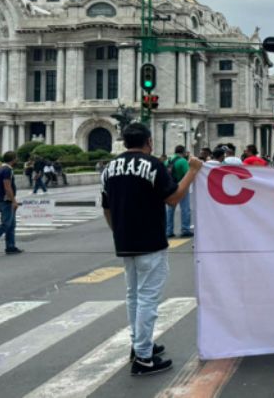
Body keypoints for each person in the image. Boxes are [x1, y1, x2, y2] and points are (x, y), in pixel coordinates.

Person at [101, 122, 201, 376]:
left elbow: (106, 207)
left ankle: (139, 345)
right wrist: (193, 171)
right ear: (149, 142)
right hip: (150, 240)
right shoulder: (152, 165)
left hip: (125, 241)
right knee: (147, 298)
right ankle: (144, 358)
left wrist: (118, 232)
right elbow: (173, 198)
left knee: (133, 295)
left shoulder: (109, 168)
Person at [165, 146, 193, 239]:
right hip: (181, 187)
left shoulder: (167, 161)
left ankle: (168, 231)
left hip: (170, 187)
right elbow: (188, 173)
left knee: (170, 210)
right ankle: (185, 229)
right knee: (185, 208)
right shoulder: (183, 161)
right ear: (183, 152)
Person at [0, 151, 22, 254]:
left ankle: (10, 246)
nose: (17, 160)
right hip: (6, 200)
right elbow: (7, 186)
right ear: (13, 159)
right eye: (16, 158)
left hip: (1, 199)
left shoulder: (1, 168)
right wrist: (14, 201)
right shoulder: (7, 170)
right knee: (6, 224)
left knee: (11, 224)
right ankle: (10, 246)